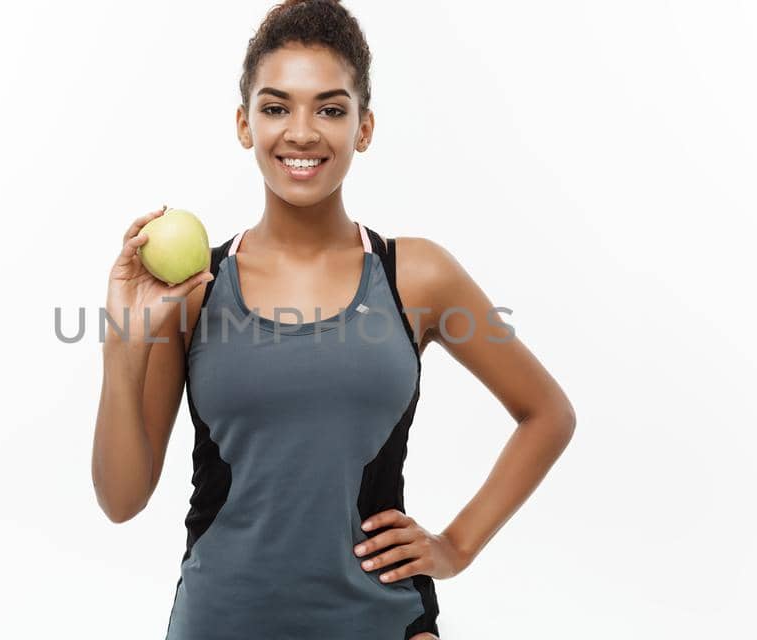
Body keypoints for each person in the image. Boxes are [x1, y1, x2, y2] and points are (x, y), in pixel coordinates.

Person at [92, 1, 576, 637]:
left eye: (329, 108)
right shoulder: (193, 290)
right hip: (221, 621)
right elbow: (121, 501)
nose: (301, 131)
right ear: (244, 124)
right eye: (275, 107)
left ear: (364, 127)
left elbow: (547, 415)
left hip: (381, 619)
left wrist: (456, 546)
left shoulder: (417, 276)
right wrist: (124, 343)